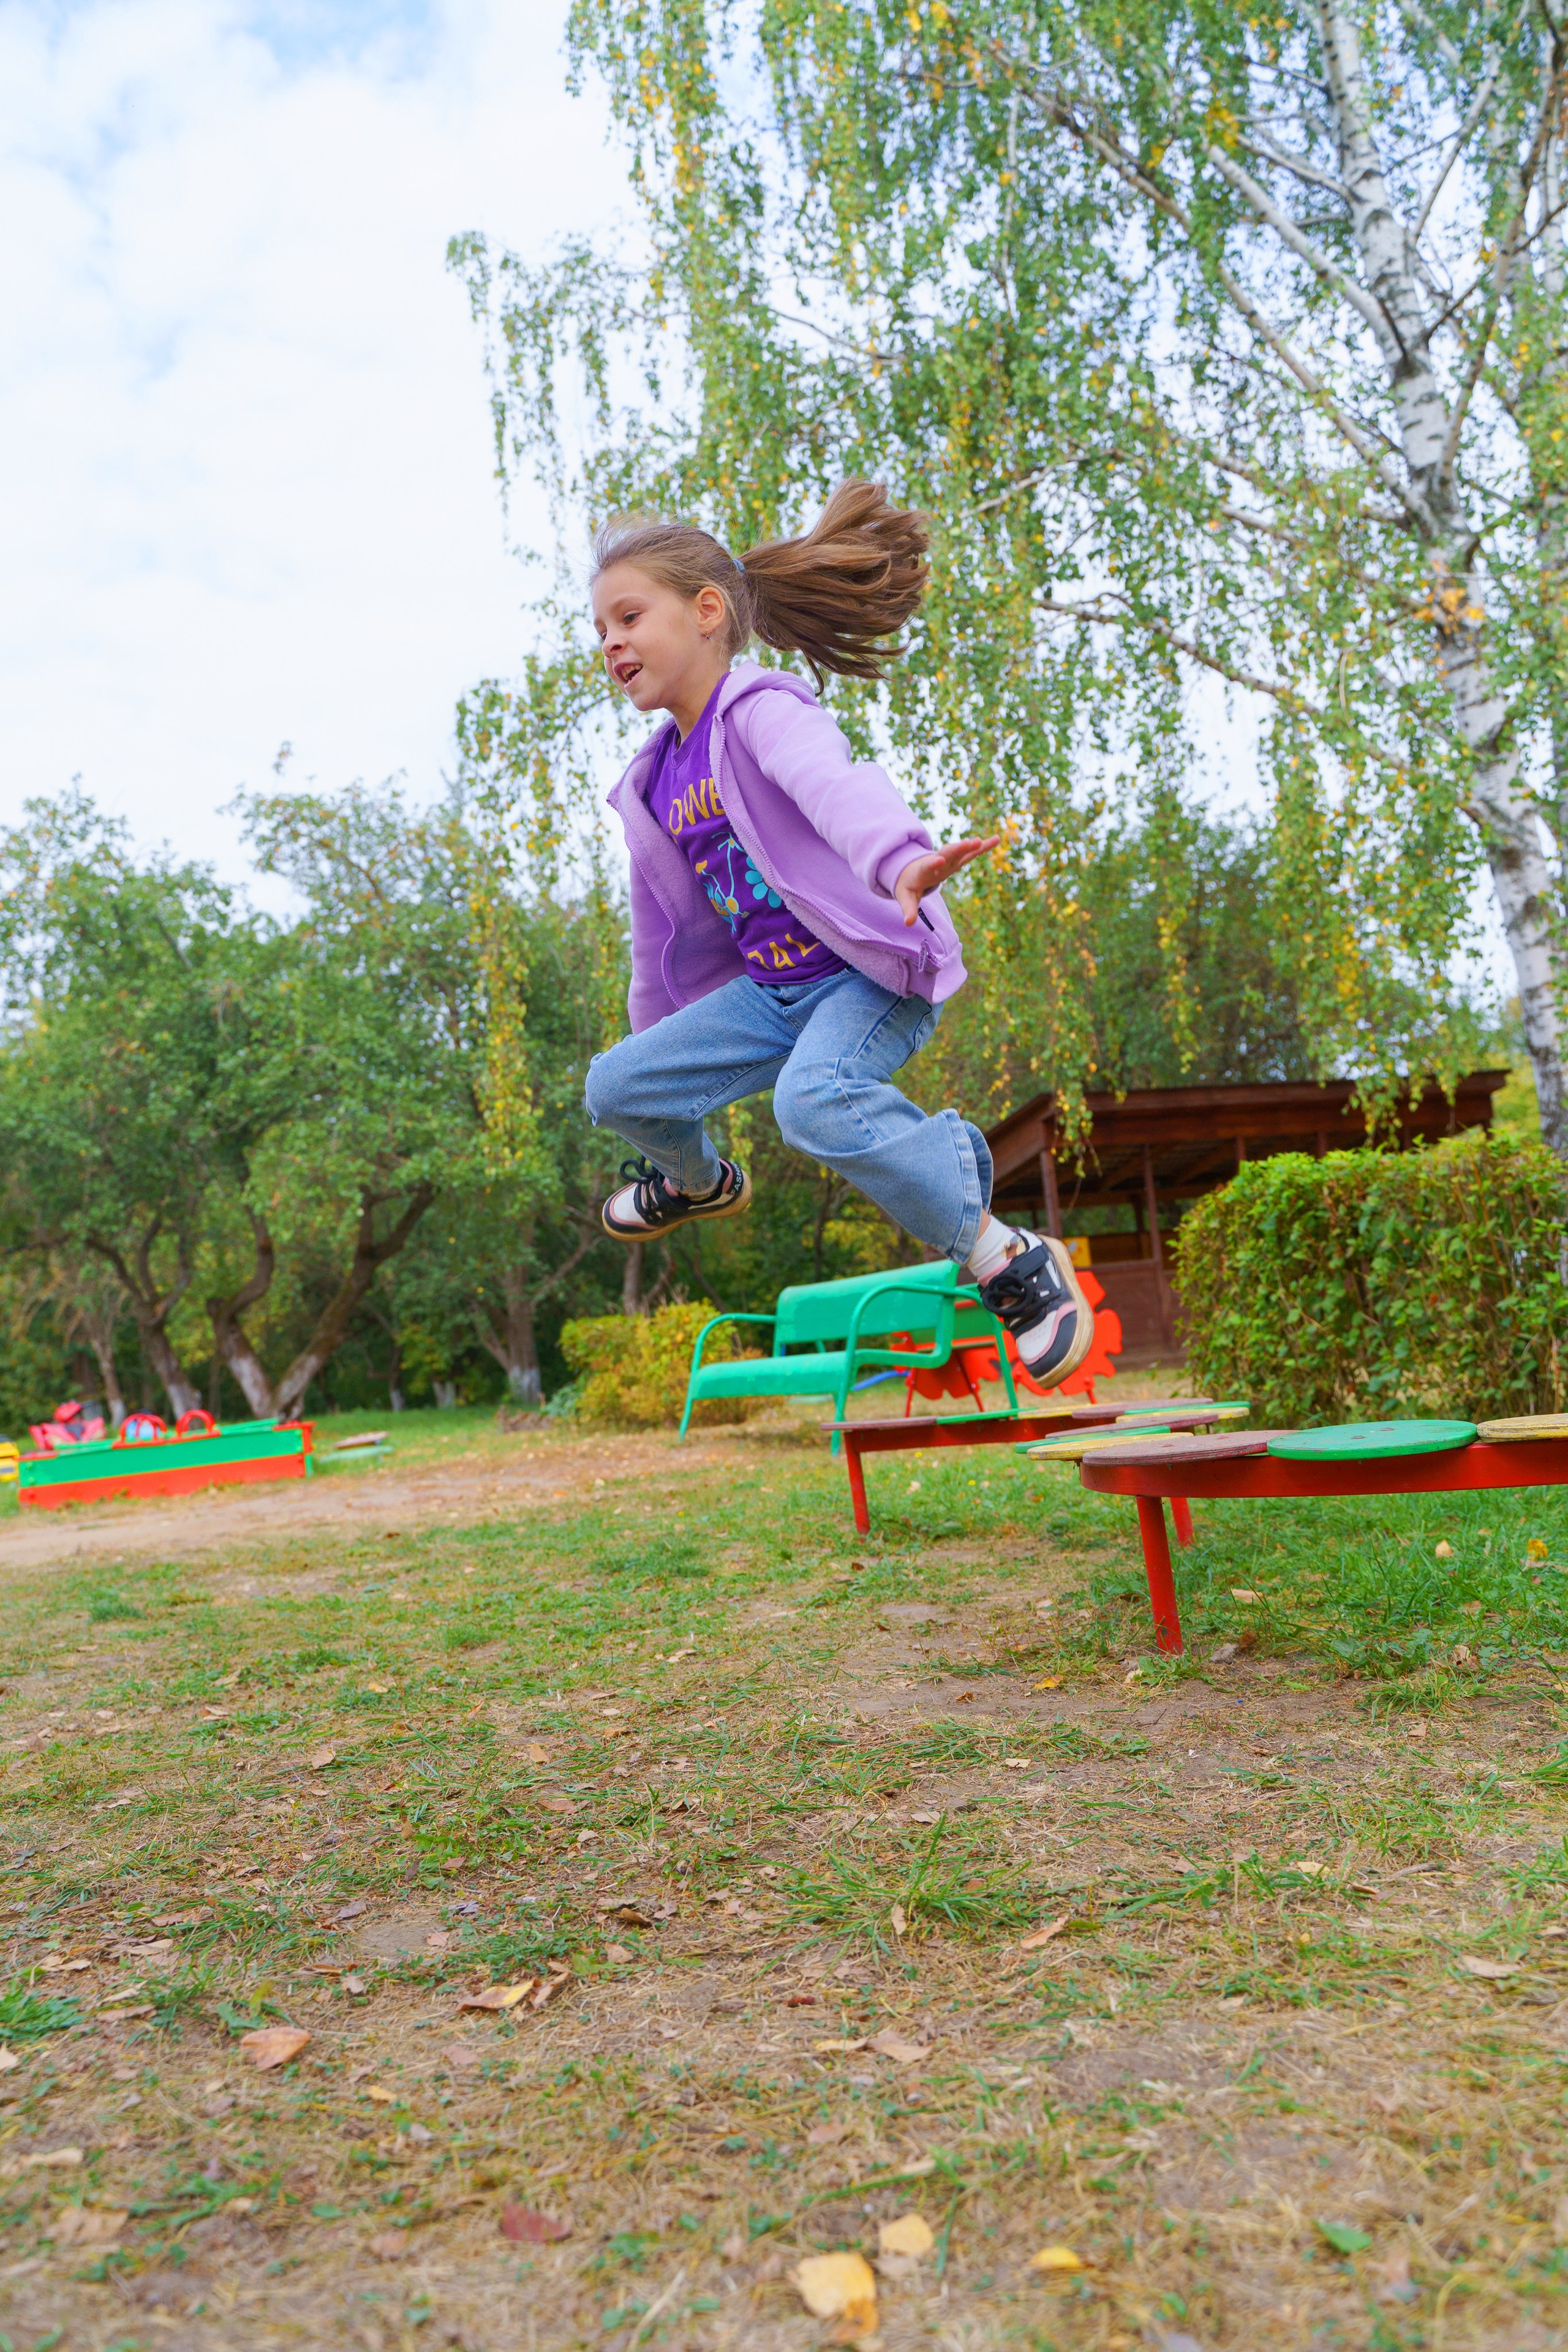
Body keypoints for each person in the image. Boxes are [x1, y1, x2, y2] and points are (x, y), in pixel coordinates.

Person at [582, 480, 1093, 1389]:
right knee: (617, 1083)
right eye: (600, 632)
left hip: (863, 971)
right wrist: (661, 1057)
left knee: (813, 1102)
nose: (611, 643)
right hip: (770, 997)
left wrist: (900, 862)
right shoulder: (651, 781)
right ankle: (698, 1183)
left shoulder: (763, 710)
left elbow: (836, 785)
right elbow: (654, 936)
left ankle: (1006, 1257)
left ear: (707, 613)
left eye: (628, 617)